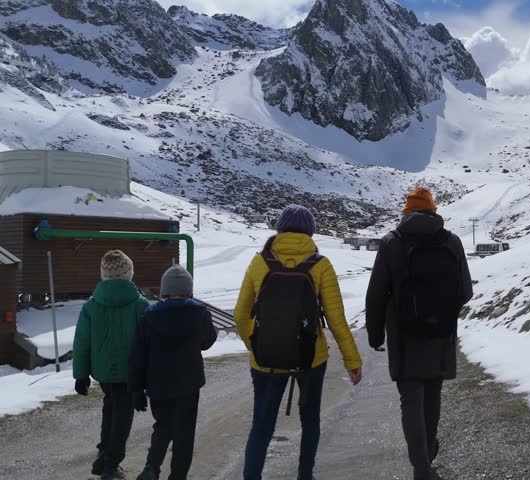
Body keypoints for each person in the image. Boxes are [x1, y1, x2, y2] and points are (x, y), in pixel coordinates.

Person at [234, 204, 363, 480]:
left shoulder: (259, 262)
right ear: (311, 231)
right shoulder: (321, 265)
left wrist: (256, 345)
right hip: (310, 358)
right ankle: (305, 475)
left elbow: (240, 314)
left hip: (265, 361)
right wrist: (352, 360)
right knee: (310, 421)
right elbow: (337, 320)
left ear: (279, 228)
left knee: (261, 426)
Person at [366, 188, 473, 480]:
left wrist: (376, 337)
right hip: (440, 334)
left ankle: (421, 468)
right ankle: (428, 450)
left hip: (404, 337)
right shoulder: (451, 241)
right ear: (433, 211)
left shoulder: (391, 243)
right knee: (432, 394)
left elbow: (376, 294)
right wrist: (440, 311)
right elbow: (466, 291)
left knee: (410, 400)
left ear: (406, 212)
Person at [129, 265, 218, 480]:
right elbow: (207, 342)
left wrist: (136, 390)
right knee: (185, 434)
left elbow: (137, 356)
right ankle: (178, 475)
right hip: (188, 384)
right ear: (189, 290)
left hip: (158, 384)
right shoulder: (200, 313)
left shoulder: (148, 317)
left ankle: (152, 467)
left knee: (163, 427)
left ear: (164, 291)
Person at [73, 250, 151, 480]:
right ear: (129, 273)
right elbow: (149, 344)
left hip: (103, 372)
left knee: (110, 408)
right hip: (130, 373)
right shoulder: (141, 305)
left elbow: (81, 342)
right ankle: (110, 464)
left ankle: (103, 453)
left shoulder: (91, 306)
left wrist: (81, 375)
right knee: (122, 417)